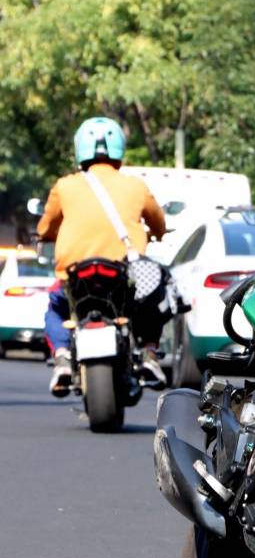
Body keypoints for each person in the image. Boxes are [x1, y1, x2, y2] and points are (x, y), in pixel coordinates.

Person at [37, 116, 167, 397]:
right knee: (152, 299)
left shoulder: (65, 186)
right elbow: (158, 221)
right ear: (118, 148)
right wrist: (157, 232)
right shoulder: (135, 186)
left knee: (56, 308)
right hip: (124, 273)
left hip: (75, 275)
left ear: (79, 150)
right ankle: (149, 353)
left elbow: (45, 226)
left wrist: (47, 235)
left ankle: (61, 355)